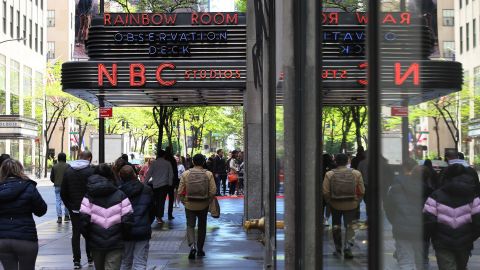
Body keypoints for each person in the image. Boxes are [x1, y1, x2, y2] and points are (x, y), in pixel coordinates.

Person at [423, 164, 480, 270]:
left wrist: (432, 238)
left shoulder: (435, 196)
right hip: (465, 243)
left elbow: (428, 221)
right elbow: (478, 222)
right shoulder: (473, 197)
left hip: (442, 243)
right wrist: (470, 237)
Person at [79, 164, 133, 270]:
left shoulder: (88, 196)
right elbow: (128, 220)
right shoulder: (121, 195)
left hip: (96, 242)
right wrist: (123, 236)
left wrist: (90, 237)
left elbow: (83, 220)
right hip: (116, 242)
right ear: (111, 176)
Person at [0, 159, 47, 270]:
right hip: (26, 238)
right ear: (20, 170)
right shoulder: (29, 187)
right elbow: (41, 210)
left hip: (2, 238)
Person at [384, 161, 426, 270]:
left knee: (406, 261)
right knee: (421, 260)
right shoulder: (427, 188)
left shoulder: (395, 187)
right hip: (421, 229)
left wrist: (396, 221)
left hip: (401, 228)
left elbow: (388, 208)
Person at [323, 153, 364, 259]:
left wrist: (330, 202)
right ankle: (348, 249)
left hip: (335, 204)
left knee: (336, 226)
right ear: (348, 161)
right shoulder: (356, 173)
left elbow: (325, 191)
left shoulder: (329, 174)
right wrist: (357, 201)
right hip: (352, 205)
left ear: (335, 161)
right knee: (351, 227)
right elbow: (362, 191)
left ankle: (338, 249)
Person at [178, 154, 216, 260]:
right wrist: (208, 201)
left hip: (189, 204)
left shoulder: (186, 174)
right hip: (203, 204)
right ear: (204, 162)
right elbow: (213, 191)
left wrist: (184, 201)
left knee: (190, 225)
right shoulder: (208, 174)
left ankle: (192, 246)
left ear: (193, 162)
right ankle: (200, 249)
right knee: (202, 226)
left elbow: (180, 191)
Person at [61, 151, 95, 269]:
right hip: (89, 208)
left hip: (74, 208)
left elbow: (63, 192)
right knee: (89, 231)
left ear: (79, 157)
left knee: (76, 233)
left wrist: (70, 206)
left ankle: (76, 260)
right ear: (89, 158)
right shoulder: (91, 171)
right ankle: (90, 256)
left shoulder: (68, 171)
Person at [119, 165, 154, 270]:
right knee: (140, 263)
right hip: (143, 230)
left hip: (125, 230)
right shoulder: (147, 190)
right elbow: (153, 210)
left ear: (121, 177)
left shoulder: (119, 192)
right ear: (135, 175)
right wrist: (147, 222)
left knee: (125, 262)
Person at [144, 149, 173, 224]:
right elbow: (171, 175)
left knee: (156, 201)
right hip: (164, 185)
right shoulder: (168, 163)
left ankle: (156, 216)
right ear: (164, 155)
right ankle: (159, 217)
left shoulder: (154, 163)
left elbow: (148, 174)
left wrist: (144, 183)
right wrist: (170, 184)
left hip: (155, 185)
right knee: (161, 201)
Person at [50, 153, 71, 223]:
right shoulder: (68, 166)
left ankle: (59, 217)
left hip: (57, 186)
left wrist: (56, 181)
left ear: (58, 158)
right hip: (66, 186)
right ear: (65, 158)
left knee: (58, 201)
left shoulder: (54, 166)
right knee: (67, 201)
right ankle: (67, 216)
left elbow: (52, 178)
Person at [165, 146, 179, 220]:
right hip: (171, 181)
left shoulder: (163, 159)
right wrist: (176, 181)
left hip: (163, 181)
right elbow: (175, 171)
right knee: (171, 198)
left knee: (161, 199)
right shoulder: (172, 160)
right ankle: (170, 214)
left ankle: (159, 215)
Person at [322, 153, 336, 226]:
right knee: (328, 204)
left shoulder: (319, 165)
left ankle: (322, 218)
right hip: (330, 188)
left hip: (321, 187)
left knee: (322, 204)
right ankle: (326, 219)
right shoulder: (333, 166)